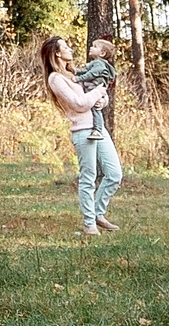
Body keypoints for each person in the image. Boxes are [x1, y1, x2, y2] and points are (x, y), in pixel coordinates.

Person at [43, 35, 122, 236]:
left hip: (98, 127)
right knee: (89, 178)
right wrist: (98, 92)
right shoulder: (56, 79)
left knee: (114, 174)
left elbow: (97, 98)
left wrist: (101, 99)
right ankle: (89, 224)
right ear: (57, 53)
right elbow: (78, 104)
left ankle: (97, 213)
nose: (71, 49)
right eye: (66, 47)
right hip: (83, 131)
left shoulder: (73, 74)